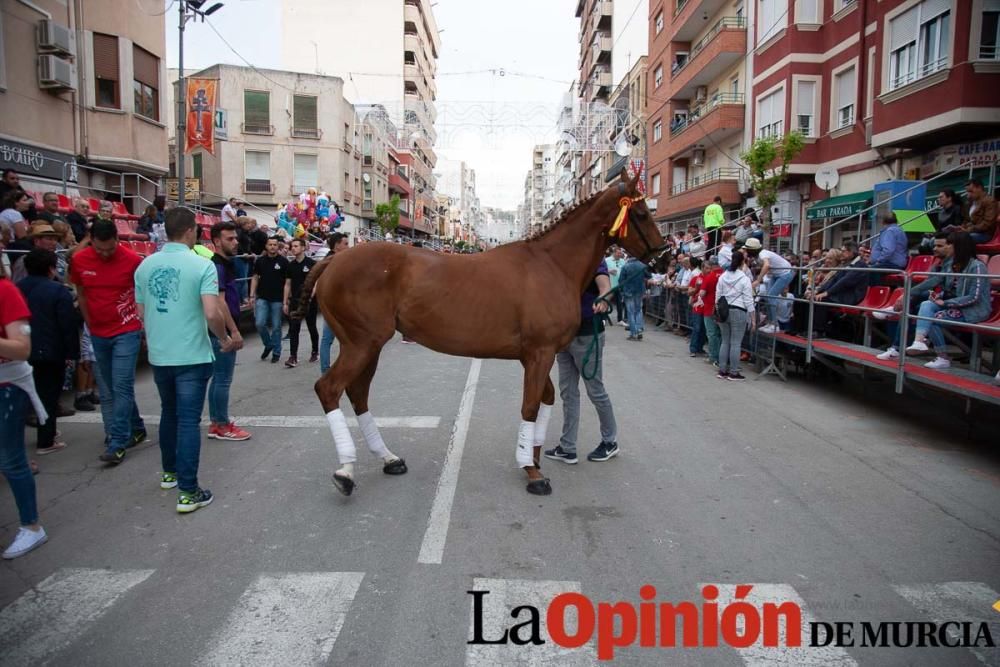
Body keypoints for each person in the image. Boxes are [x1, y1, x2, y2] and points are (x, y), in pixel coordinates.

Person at [135, 207, 234, 513]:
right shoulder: (201, 265)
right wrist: (223, 338)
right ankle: (189, 491)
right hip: (191, 354)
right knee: (189, 421)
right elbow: (211, 312)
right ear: (192, 230)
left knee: (170, 413)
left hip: (161, 354)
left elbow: (140, 314)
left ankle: (170, 473)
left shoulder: (145, 266)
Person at [68, 219, 146, 465]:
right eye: (99, 249)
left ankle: (117, 439)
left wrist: (142, 324)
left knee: (120, 386)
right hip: (98, 333)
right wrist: (90, 325)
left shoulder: (133, 261)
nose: (104, 254)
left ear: (117, 240)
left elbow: (143, 294)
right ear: (91, 241)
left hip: (127, 330)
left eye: (109, 249)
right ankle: (136, 427)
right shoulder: (80, 261)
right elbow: (81, 292)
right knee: (109, 387)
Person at [544, 261, 619, 464]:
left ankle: (610, 441)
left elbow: (605, 285)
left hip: (587, 334)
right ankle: (568, 447)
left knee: (595, 390)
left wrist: (603, 298)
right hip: (564, 335)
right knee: (568, 392)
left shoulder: (593, 259)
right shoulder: (561, 260)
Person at [0, 259, 49, 559]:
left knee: (11, 458)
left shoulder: (6, 291)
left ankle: (31, 526)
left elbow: (21, 348)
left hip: (7, 387)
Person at [890, 233, 990, 369]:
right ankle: (919, 341)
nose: (945, 247)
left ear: (959, 247)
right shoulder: (951, 265)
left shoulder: (977, 266)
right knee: (926, 304)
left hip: (972, 309)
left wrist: (947, 303)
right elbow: (932, 281)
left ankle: (942, 357)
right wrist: (907, 293)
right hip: (955, 306)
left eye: (949, 244)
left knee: (933, 318)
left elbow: (974, 297)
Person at [17, 249, 79, 456]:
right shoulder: (57, 291)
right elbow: (67, 325)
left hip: (22, 349)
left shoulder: (17, 288)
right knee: (49, 395)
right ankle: (46, 439)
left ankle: (19, 439)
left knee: (23, 395)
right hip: (50, 350)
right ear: (52, 268)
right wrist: (72, 353)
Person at [207, 221, 250, 441]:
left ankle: (216, 422)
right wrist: (233, 331)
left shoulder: (225, 264)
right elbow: (220, 302)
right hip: (221, 331)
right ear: (216, 241)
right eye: (229, 239)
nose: (235, 242)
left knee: (218, 379)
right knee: (222, 379)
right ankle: (222, 425)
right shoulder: (217, 266)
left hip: (220, 330)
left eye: (235, 238)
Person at [716, 250, 755, 381]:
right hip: (739, 310)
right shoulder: (744, 279)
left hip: (724, 310)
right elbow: (749, 300)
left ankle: (722, 370)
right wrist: (753, 319)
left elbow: (718, 296)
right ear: (742, 262)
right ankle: (733, 372)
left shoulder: (722, 277)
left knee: (725, 341)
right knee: (736, 343)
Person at [250, 236, 290, 363]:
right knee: (259, 323)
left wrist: (285, 300)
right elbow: (255, 277)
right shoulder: (260, 261)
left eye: (275, 245)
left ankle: (276, 352)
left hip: (277, 298)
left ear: (278, 247)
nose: (272, 247)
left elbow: (287, 283)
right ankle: (268, 344)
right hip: (262, 297)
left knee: (276, 326)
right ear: (266, 246)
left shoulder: (284, 262)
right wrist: (252, 295)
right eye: (270, 244)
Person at [743, 237, 793, 333]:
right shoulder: (760, 255)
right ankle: (770, 322)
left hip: (785, 273)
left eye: (747, 249)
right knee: (767, 297)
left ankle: (775, 324)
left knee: (771, 297)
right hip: (776, 274)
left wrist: (758, 280)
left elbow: (767, 265)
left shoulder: (762, 254)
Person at [284, 238, 319, 367]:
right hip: (295, 301)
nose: (293, 248)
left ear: (303, 247)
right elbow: (287, 284)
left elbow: (316, 281)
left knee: (311, 326)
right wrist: (285, 302)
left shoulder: (311, 263)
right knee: (294, 328)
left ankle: (315, 351)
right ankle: (293, 356)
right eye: (292, 246)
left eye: (296, 246)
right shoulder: (290, 265)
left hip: (309, 300)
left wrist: (311, 295)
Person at [319, 232, 350, 373]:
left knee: (329, 339)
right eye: (346, 244)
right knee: (329, 338)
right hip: (336, 306)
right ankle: (326, 370)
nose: (348, 247)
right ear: (337, 245)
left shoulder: (338, 259)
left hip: (339, 305)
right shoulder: (333, 261)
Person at [696, 256, 723, 365]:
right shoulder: (725, 275)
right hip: (722, 309)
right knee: (721, 334)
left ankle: (713, 356)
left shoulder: (709, 277)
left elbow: (702, 293)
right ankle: (722, 357)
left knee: (712, 334)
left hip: (709, 309)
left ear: (711, 265)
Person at [868, 212, 909, 282]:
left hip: (892, 263)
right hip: (896, 263)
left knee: (870, 270)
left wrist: (879, 261)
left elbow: (888, 250)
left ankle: (876, 291)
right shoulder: (899, 230)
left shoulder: (890, 231)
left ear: (883, 221)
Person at [618, 255, 650, 341]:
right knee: (638, 310)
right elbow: (649, 276)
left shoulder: (625, 266)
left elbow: (621, 280)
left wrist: (622, 291)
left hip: (628, 291)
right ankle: (639, 329)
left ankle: (633, 333)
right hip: (639, 290)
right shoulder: (642, 265)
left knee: (630, 312)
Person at [963, 178, 998, 243]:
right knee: (952, 235)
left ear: (979, 188)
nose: (968, 195)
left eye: (971, 191)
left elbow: (988, 223)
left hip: (986, 234)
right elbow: (969, 220)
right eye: (967, 192)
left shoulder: (989, 201)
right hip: (974, 232)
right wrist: (963, 227)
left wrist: (970, 229)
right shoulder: (971, 202)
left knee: (962, 238)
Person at [604, 247, 627, 324]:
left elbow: (625, 272)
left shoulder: (623, 261)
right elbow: (601, 270)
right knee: (606, 302)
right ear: (614, 253)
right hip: (609, 285)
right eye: (618, 253)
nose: (620, 255)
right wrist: (609, 271)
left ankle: (620, 320)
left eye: (620, 253)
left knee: (620, 303)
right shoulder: (607, 260)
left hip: (619, 286)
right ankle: (603, 319)